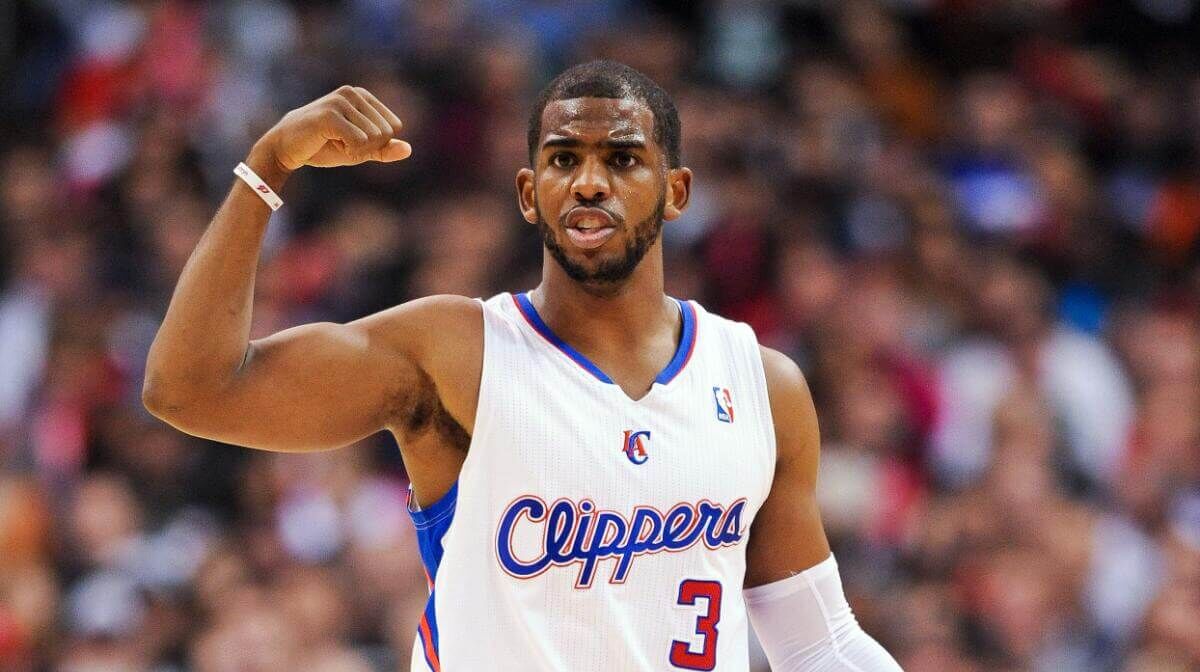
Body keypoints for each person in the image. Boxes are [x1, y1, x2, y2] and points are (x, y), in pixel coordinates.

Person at [143, 60, 903, 671]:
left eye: (623, 159)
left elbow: (817, 644)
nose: (590, 180)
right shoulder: (455, 353)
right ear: (528, 194)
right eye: (563, 158)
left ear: (676, 193)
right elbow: (191, 390)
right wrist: (266, 165)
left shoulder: (761, 384)